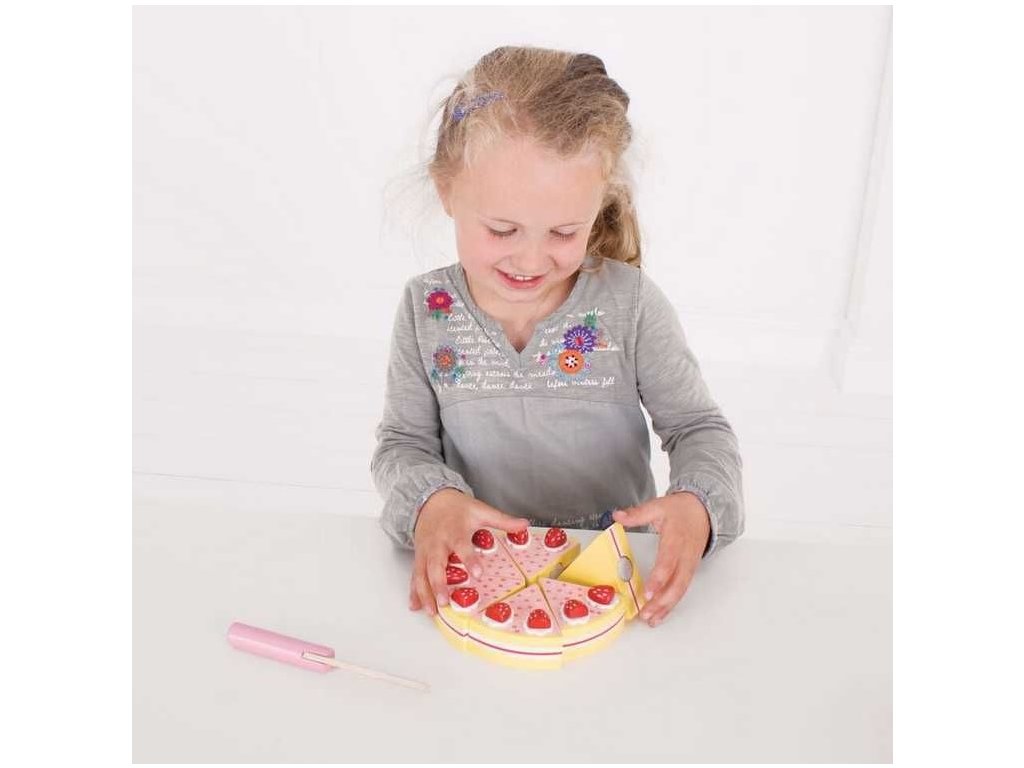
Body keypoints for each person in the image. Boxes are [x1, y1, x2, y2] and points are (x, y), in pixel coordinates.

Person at [371, 46, 744, 628]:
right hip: (477, 584)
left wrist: (697, 503)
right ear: (446, 190)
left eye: (564, 232)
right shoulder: (427, 310)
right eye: (502, 229)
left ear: (599, 206)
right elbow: (402, 444)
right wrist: (432, 503)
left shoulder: (630, 304)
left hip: (613, 583)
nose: (530, 259)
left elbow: (697, 428)